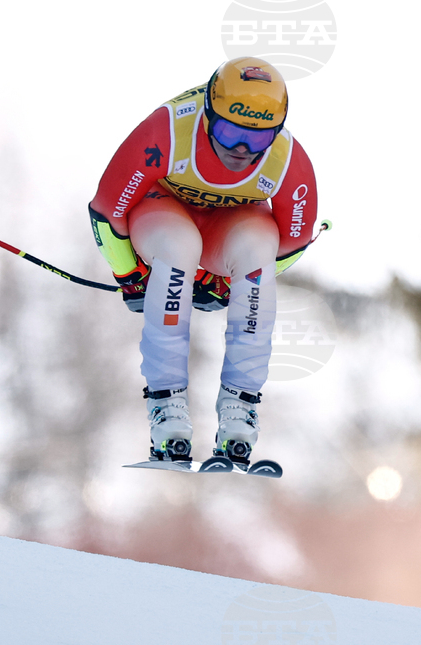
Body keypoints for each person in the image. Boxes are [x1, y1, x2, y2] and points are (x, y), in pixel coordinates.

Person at [88, 57, 318, 466]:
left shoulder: (286, 161)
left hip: (228, 227)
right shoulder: (169, 131)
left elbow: (292, 243)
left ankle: (239, 411)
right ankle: (167, 409)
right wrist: (130, 275)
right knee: (178, 248)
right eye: (229, 133)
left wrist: (228, 282)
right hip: (162, 211)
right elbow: (108, 209)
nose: (242, 151)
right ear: (210, 116)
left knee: (256, 250)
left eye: (258, 139)